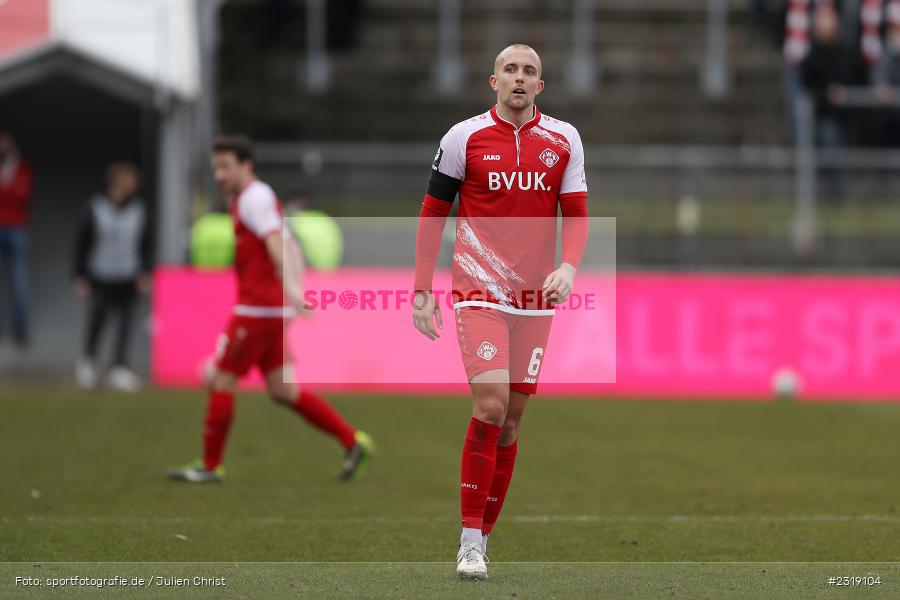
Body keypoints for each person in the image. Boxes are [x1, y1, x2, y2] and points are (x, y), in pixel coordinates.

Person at [412, 44, 589, 580]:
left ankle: (483, 539)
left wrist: (569, 267)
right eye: (510, 70)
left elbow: (576, 214)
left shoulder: (564, 140)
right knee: (490, 404)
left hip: (535, 298)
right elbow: (433, 211)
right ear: (493, 81)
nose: (519, 78)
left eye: (529, 71)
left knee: (511, 421)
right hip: (479, 289)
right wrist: (422, 288)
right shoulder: (463, 137)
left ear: (541, 86)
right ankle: (468, 541)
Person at [167, 135, 374, 483]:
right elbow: (288, 241)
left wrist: (292, 291)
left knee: (220, 378)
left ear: (246, 166)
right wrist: (291, 294)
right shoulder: (251, 199)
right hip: (269, 309)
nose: (219, 175)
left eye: (225, 167)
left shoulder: (253, 198)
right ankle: (353, 440)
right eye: (215, 168)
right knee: (282, 389)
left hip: (257, 309)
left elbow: (278, 244)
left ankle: (210, 464)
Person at [73, 162, 151, 391]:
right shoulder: (94, 207)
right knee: (97, 319)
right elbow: (82, 243)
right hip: (101, 273)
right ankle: (88, 362)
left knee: (126, 323)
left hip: (128, 274)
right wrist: (79, 275)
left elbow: (145, 245)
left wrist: (144, 272)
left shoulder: (140, 210)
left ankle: (119, 368)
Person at [0, 132, 33, 347]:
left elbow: (22, 195)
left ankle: (20, 330)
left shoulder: (21, 167)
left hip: (17, 227)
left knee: (19, 280)